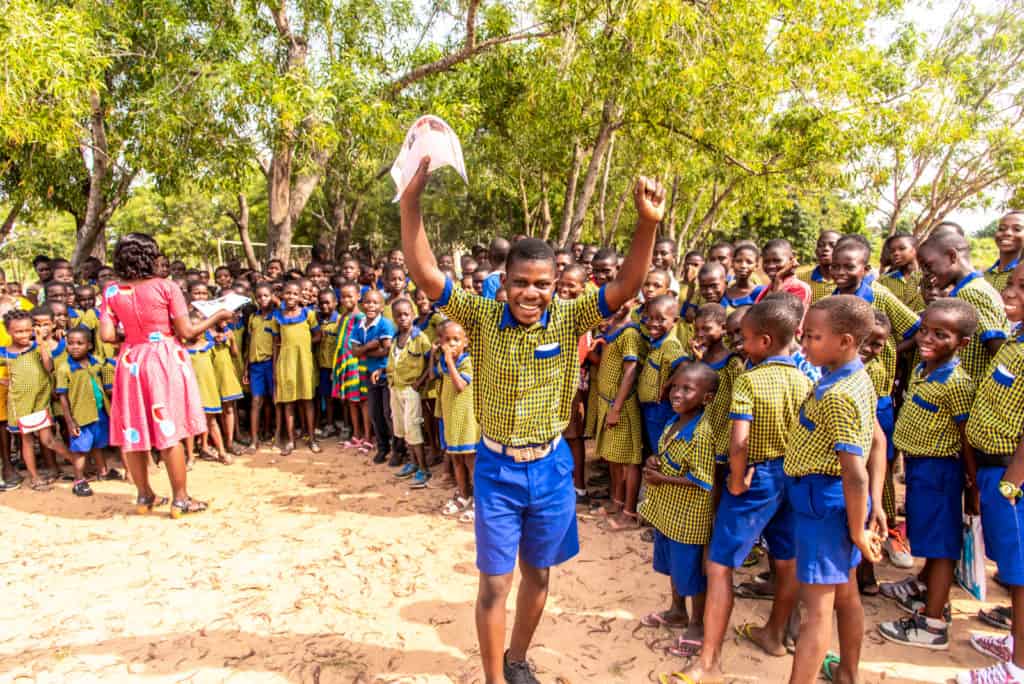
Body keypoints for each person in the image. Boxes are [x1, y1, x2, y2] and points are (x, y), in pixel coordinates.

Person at [400, 154, 663, 684]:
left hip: (550, 470)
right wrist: (411, 202)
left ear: (553, 285)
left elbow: (629, 286)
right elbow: (426, 272)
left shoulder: (570, 316)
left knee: (538, 575)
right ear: (505, 281)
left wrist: (647, 224)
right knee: (495, 585)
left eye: (542, 284)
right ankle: (496, 679)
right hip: (497, 470)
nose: (532, 293)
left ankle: (517, 660)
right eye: (522, 282)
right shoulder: (478, 314)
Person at [680, 298, 812, 682]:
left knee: (719, 566)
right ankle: (775, 632)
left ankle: (708, 659)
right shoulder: (805, 379)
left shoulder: (750, 380)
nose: (741, 345)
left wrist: (736, 480)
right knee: (786, 560)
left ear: (766, 341)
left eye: (748, 338)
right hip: (792, 475)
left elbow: (740, 441)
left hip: (756, 477)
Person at [783, 295, 886, 684]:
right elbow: (877, 439)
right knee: (845, 593)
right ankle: (848, 673)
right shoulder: (856, 377)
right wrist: (872, 506)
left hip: (824, 503)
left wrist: (859, 528)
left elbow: (854, 471)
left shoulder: (837, 395)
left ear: (844, 341)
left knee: (816, 612)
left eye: (813, 336)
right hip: (843, 503)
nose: (804, 344)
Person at [100, 233, 233, 517]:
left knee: (134, 429)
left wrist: (135, 335)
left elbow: (107, 335)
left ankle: (144, 495)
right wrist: (217, 316)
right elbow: (186, 332)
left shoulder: (111, 291)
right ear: (150, 256)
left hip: (130, 361)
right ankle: (181, 499)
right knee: (169, 427)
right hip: (162, 359)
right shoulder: (166, 287)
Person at [876, 298, 977, 650]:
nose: (926, 338)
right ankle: (928, 595)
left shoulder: (957, 383)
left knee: (941, 545)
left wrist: (973, 486)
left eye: (940, 334)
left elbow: (966, 437)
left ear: (962, 343)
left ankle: (932, 622)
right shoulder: (924, 369)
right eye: (923, 330)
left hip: (939, 471)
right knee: (930, 540)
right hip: (920, 469)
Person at [957, 262, 1024, 684]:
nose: (1009, 290)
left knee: (1021, 573)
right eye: (1013, 282)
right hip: (993, 469)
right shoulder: (1018, 339)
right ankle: (1016, 640)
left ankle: (1017, 669)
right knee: (1013, 571)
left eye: (1021, 286)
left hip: (1010, 476)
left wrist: (1012, 481)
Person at [640, 362, 717, 668]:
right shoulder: (675, 421)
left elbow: (703, 479)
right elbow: (667, 453)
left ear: (707, 397)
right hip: (667, 512)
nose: (677, 393)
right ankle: (676, 611)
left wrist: (664, 479)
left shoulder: (701, 432)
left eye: (688, 389)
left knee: (691, 575)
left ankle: (696, 625)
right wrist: (654, 462)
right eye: (675, 386)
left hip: (687, 517)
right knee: (673, 565)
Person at [918, 230, 1010, 382]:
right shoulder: (975, 287)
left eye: (928, 265)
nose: (926, 273)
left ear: (952, 256)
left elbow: (997, 347)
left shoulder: (971, 292)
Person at [593, 301, 645, 530]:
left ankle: (629, 512)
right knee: (613, 456)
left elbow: (630, 372)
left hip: (620, 405)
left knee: (629, 460)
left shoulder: (630, 332)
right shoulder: (612, 327)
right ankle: (616, 501)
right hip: (608, 402)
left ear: (634, 302)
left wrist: (616, 408)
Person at [56, 327, 119, 484]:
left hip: (99, 412)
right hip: (80, 416)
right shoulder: (65, 368)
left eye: (79, 343)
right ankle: (79, 480)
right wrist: (70, 422)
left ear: (89, 345)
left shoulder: (96, 362)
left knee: (98, 444)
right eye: (70, 343)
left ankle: (103, 471)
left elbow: (110, 366)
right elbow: (62, 397)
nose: (74, 347)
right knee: (80, 450)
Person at [270, 281, 322, 456]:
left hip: (304, 362)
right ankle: (291, 440)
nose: (291, 297)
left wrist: (303, 344)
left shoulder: (309, 314)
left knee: (307, 401)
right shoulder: (276, 317)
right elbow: (275, 344)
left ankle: (312, 438)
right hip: (285, 363)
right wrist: (275, 367)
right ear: (282, 295)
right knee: (288, 402)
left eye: (294, 294)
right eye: (287, 293)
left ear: (300, 296)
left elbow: (318, 336)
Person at [384, 298, 432, 486]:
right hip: (395, 388)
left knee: (413, 429)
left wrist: (420, 382)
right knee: (402, 428)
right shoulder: (396, 338)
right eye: (398, 315)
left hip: (411, 390)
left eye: (406, 314)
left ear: (413, 315)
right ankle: (412, 462)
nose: (402, 318)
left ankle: (423, 468)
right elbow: (393, 362)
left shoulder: (420, 338)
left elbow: (432, 360)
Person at [437, 320, 479, 521]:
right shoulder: (443, 363)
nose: (452, 344)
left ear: (465, 342)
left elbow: (461, 385)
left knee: (471, 460)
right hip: (451, 417)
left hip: (467, 419)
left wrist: (450, 361)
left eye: (456, 340)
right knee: (456, 458)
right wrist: (444, 359)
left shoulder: (467, 362)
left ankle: (479, 501)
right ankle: (463, 495)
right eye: (447, 340)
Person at [351, 289, 395, 463]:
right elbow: (354, 352)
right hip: (370, 374)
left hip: (386, 373)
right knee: (375, 413)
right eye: (367, 302)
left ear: (382, 306)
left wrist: (365, 351)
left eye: (375, 302)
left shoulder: (385, 324)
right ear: (362, 305)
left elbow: (387, 350)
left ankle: (398, 448)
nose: (371, 306)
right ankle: (383, 448)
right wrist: (370, 346)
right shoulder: (359, 326)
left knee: (388, 413)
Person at [637, 295, 684, 458]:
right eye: (649, 318)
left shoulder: (669, 344)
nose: (653, 323)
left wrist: (667, 386)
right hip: (651, 407)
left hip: (660, 408)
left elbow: (684, 366)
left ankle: (661, 478)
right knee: (654, 445)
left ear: (675, 321)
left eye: (661, 319)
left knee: (661, 447)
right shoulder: (657, 341)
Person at [245, 284, 276, 451]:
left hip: (271, 363)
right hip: (255, 365)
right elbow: (249, 343)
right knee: (256, 401)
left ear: (272, 296)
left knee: (274, 401)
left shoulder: (277, 316)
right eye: (259, 296)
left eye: (266, 295)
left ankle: (275, 433)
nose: (262, 299)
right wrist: (245, 368)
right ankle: (254, 438)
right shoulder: (253, 318)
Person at [756, 238, 811, 308]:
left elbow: (774, 315)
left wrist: (779, 279)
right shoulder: (766, 289)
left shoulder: (799, 288)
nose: (771, 266)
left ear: (791, 259)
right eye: (766, 261)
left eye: (777, 261)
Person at [878, 233, 925, 311]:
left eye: (902, 248)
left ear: (915, 250)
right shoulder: (883, 281)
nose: (896, 253)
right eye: (892, 251)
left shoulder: (928, 278)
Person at [984, 210, 1024, 293]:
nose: (1007, 233)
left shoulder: (1021, 274)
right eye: (1001, 229)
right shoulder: (985, 275)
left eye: (1017, 229)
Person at [799, 230, 840, 304]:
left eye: (832, 245)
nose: (826, 248)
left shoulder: (847, 280)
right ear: (816, 251)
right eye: (821, 245)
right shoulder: (801, 280)